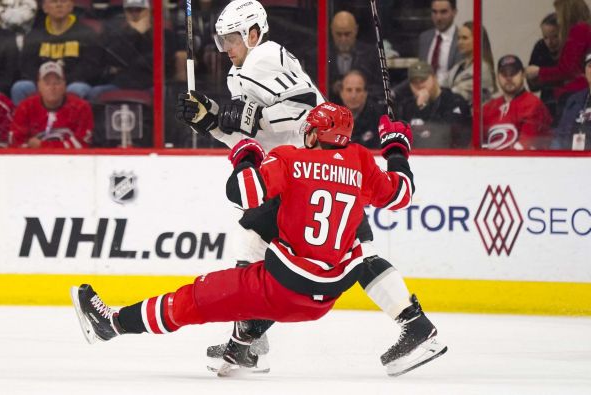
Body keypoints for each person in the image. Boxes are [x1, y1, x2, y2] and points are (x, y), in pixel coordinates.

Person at [72, 102, 447, 377]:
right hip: (327, 296)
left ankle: (113, 324)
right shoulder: (363, 160)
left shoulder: (291, 158)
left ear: (314, 134)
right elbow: (400, 195)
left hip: (282, 287)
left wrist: (244, 157)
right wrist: (397, 148)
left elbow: (242, 192)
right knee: (358, 250)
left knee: (194, 299)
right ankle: (244, 343)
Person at [175, 0, 444, 377]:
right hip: (302, 172)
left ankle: (250, 340)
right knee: (347, 249)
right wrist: (214, 124)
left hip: (314, 168)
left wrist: (240, 117)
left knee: (276, 236)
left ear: (254, 34)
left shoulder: (265, 56)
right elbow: (254, 139)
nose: (228, 48)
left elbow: (303, 109)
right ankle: (251, 339)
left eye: (233, 39)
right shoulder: (239, 73)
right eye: (223, 41)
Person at [11, 0, 102, 105]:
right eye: (54, 2)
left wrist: (61, 82)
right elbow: (26, 66)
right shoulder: (34, 35)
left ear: (71, 6)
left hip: (73, 83)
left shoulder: (86, 33)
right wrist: (45, 83)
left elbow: (91, 67)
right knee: (20, 87)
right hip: (41, 82)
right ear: (45, 7)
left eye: (63, 1)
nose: (59, 5)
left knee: (76, 89)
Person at [525, 0, 591, 113]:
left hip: (575, 93)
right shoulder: (585, 28)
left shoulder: (578, 30)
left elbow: (568, 70)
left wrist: (539, 72)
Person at [10, 61, 93, 148]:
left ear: (64, 85)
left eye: (56, 83)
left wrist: (43, 145)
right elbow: (16, 143)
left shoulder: (81, 108)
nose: (52, 87)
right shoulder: (25, 108)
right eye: (47, 83)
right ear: (39, 86)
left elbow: (82, 144)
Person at [88, 0, 156, 100]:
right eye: (130, 10)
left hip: (151, 84)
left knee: (164, 94)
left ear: (148, 11)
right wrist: (135, 33)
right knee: (96, 92)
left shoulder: (162, 32)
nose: (134, 14)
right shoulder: (119, 34)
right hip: (122, 83)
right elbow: (114, 58)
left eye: (139, 10)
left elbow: (155, 62)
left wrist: (143, 33)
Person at [483, 55, 553, 150]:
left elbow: (525, 147)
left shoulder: (533, 104)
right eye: (504, 74)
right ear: (497, 76)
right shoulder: (488, 108)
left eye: (513, 73)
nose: (509, 78)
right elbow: (476, 146)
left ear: (523, 74)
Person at [397, 60, 471, 149]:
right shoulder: (407, 106)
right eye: (414, 82)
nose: (419, 85)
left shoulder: (454, 101)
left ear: (434, 78)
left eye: (423, 80)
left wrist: (423, 108)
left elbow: (444, 133)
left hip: (449, 157)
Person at [445, 21, 496, 104]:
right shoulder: (458, 66)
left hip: (475, 115)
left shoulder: (483, 68)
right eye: (458, 38)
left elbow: (460, 94)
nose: (460, 42)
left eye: (464, 38)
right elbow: (443, 84)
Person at [552, 51, 591, 150]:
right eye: (590, 66)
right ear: (585, 71)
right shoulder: (574, 100)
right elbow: (559, 137)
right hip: (571, 160)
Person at [418, 0, 462, 86]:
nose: (438, 17)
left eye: (443, 12)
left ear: (454, 12)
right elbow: (420, 73)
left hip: (451, 94)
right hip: (425, 93)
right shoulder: (425, 38)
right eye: (434, 12)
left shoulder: (462, 39)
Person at [338, 70, 383, 149]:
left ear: (365, 93)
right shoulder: (334, 119)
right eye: (349, 90)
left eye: (358, 90)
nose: (353, 95)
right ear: (341, 93)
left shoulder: (378, 118)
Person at [528, 13, 561, 119]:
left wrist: (542, 74)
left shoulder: (570, 47)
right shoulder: (540, 47)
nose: (550, 42)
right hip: (547, 102)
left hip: (571, 100)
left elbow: (569, 75)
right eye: (545, 37)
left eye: (555, 36)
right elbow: (532, 84)